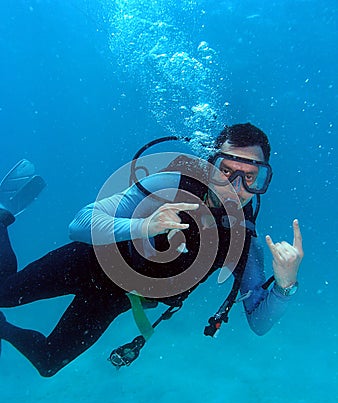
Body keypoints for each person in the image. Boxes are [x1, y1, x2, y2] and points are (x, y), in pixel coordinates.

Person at [0, 123, 303, 377]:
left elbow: (259, 324)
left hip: (117, 297)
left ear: (263, 180)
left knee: (49, 363)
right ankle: (2, 215)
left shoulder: (244, 242)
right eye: (225, 171)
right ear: (210, 165)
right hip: (89, 261)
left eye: (250, 177)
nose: (235, 187)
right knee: (4, 293)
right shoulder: (170, 184)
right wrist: (142, 226)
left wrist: (285, 284)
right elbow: (78, 224)